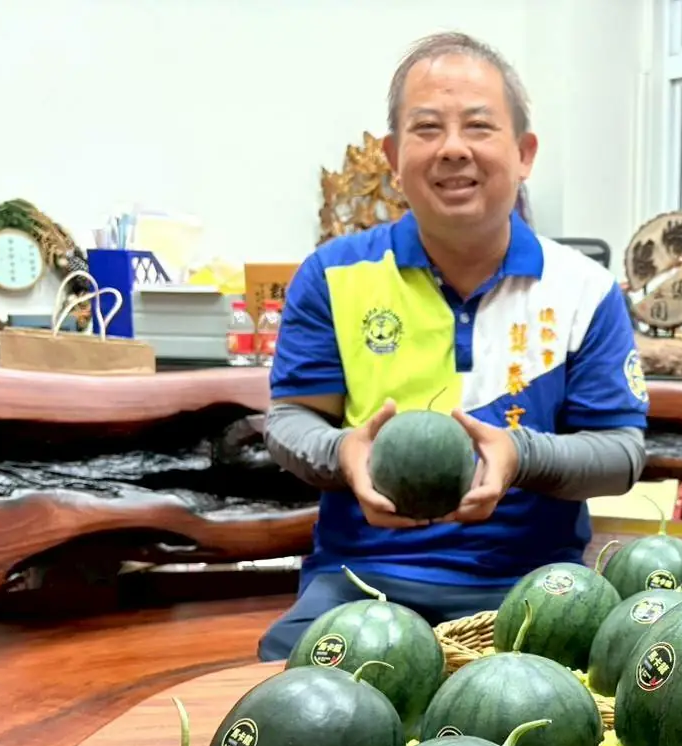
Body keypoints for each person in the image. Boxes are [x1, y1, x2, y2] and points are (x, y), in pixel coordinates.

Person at [257, 31, 649, 661]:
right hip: (359, 583)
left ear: (524, 153)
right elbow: (291, 419)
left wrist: (520, 455)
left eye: (478, 127)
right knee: (292, 711)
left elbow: (623, 453)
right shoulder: (332, 275)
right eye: (428, 128)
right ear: (393, 155)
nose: (454, 150)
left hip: (534, 589)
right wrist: (345, 454)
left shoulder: (586, 290)